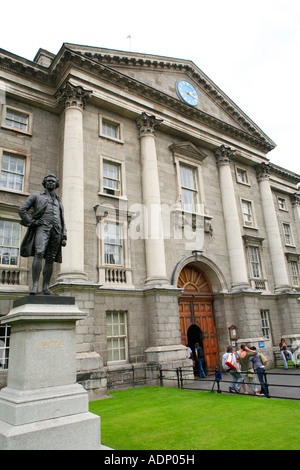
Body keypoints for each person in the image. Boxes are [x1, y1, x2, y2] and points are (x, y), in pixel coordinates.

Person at [18, 174, 67, 295]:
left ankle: (45, 287)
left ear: (56, 184)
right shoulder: (36, 196)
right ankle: (35, 285)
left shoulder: (59, 201)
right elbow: (22, 209)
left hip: (57, 231)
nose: (50, 183)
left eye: (53, 181)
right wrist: (32, 222)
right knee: (39, 253)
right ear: (44, 183)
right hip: (42, 228)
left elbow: (62, 219)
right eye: (48, 181)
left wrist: (64, 235)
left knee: (50, 259)